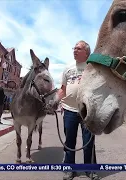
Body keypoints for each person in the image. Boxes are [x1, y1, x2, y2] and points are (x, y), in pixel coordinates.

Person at [56, 40, 98, 180]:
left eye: (78, 48)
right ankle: (69, 169)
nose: (74, 50)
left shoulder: (92, 67)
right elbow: (62, 89)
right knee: (69, 142)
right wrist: (57, 102)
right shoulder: (68, 68)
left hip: (87, 111)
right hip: (69, 110)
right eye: (74, 48)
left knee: (88, 143)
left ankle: (90, 169)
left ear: (86, 52)